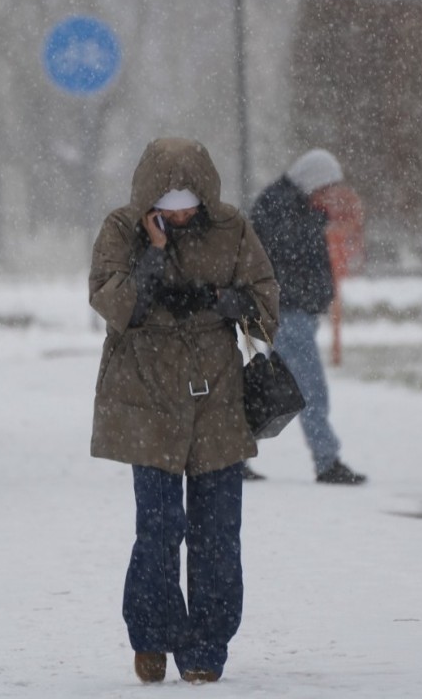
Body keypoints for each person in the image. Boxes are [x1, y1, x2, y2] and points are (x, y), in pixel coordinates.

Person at [89, 137, 279, 685]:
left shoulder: (232, 228)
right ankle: (151, 636)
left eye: (188, 207)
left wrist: (220, 301)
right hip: (146, 393)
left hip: (216, 395)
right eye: (168, 209)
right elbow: (110, 300)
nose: (179, 217)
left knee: (218, 529)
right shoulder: (120, 229)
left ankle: (206, 647)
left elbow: (266, 304)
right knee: (158, 525)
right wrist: (152, 256)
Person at [245, 148, 367, 485]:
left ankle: (232, 456)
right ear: (313, 182)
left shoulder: (294, 206)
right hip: (287, 312)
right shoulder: (283, 208)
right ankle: (327, 461)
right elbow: (287, 259)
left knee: (274, 389)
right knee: (309, 388)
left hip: (291, 310)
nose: (331, 195)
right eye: (327, 187)